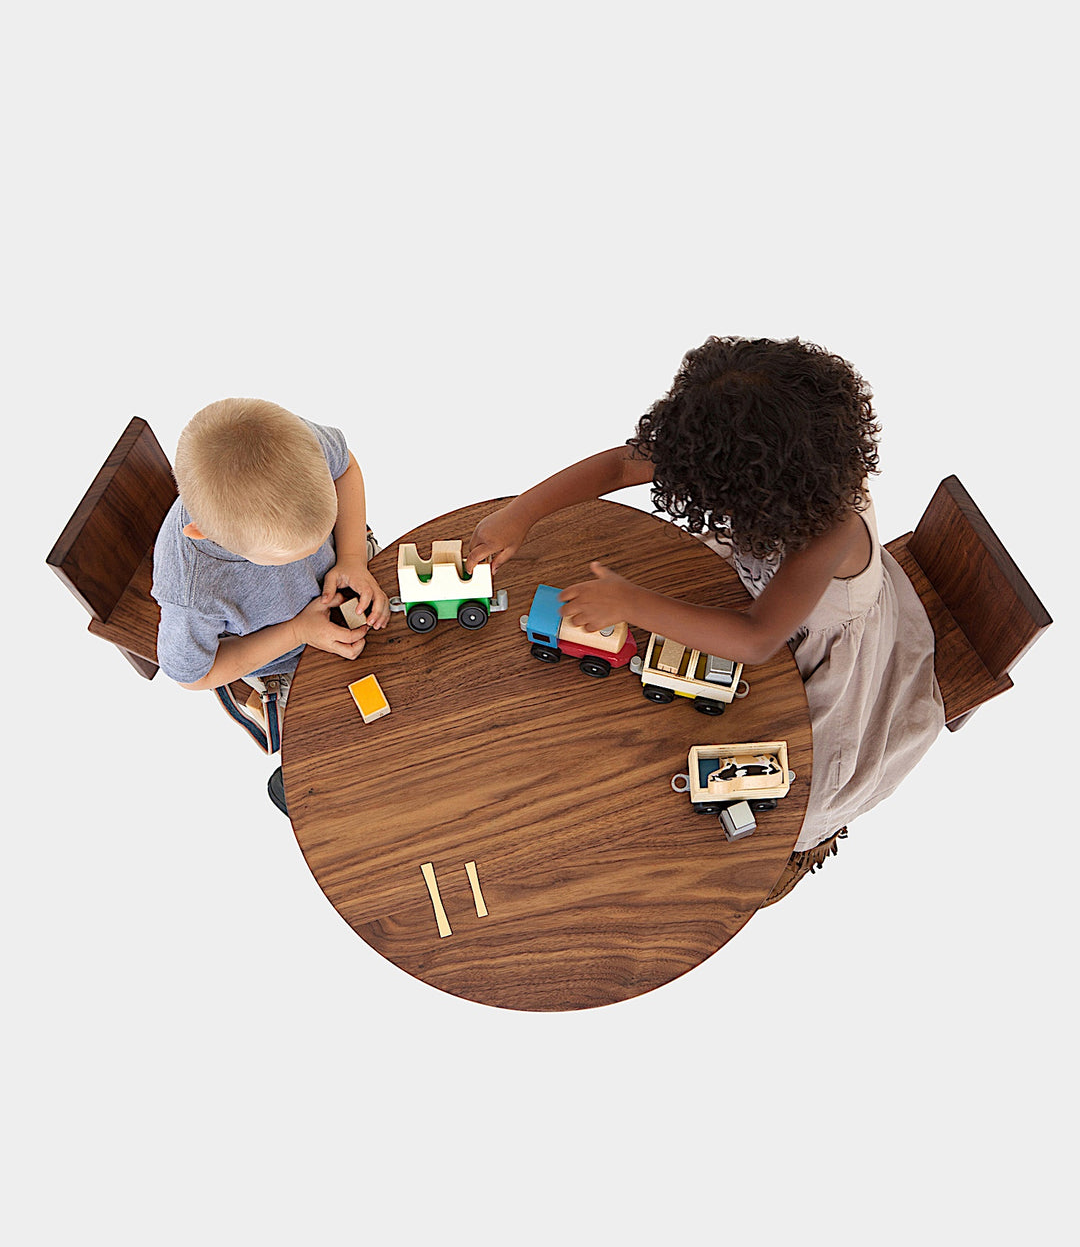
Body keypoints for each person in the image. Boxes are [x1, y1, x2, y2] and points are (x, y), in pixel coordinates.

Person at [466, 336, 944, 902]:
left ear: (759, 486)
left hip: (820, 651)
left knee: (791, 783)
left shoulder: (828, 533)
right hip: (759, 597)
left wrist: (629, 603)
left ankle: (791, 851)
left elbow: (758, 637)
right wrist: (520, 514)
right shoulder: (751, 451)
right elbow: (623, 462)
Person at [152, 397, 390, 811]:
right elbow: (192, 675)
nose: (311, 554)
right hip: (279, 651)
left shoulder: (295, 444)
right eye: (290, 555)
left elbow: (346, 465)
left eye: (317, 539)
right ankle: (254, 706)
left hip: (346, 574)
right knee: (343, 747)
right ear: (204, 533)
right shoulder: (191, 591)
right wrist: (299, 630)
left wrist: (351, 556)